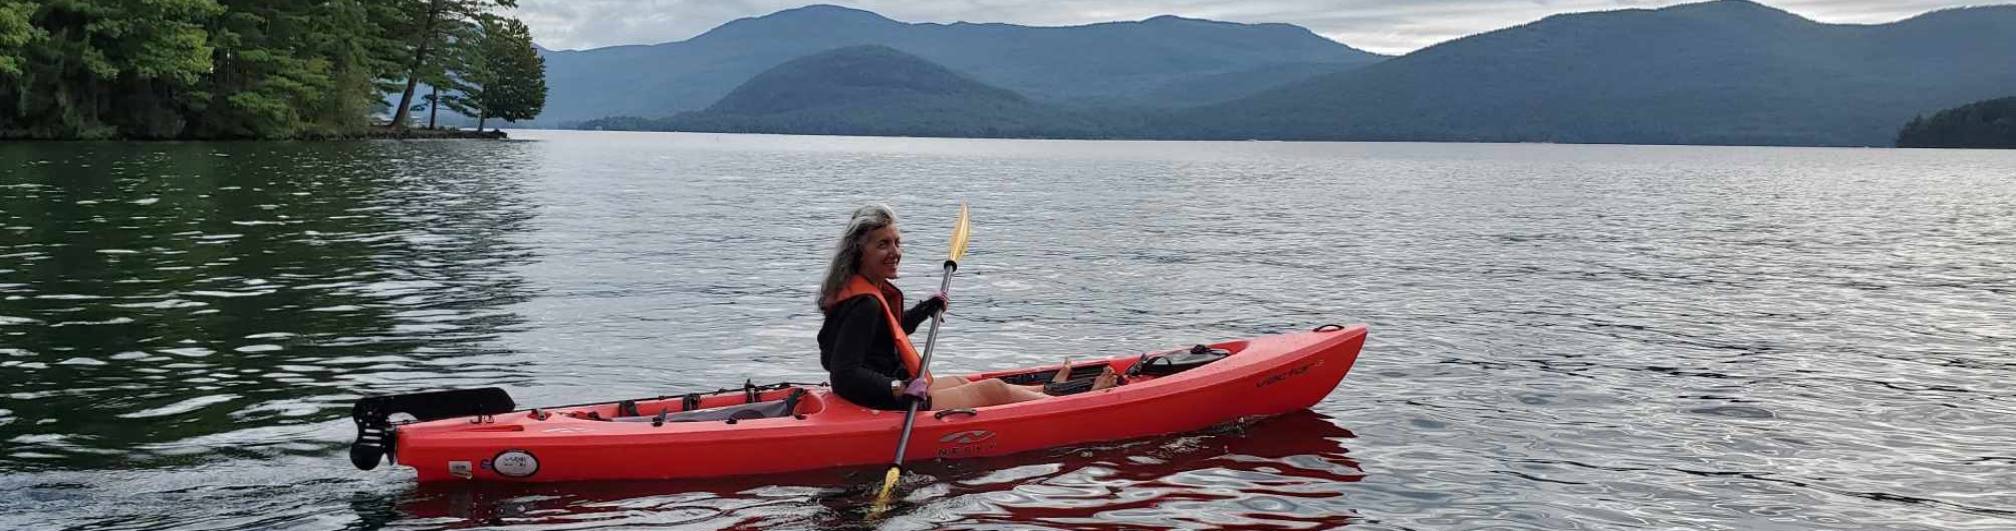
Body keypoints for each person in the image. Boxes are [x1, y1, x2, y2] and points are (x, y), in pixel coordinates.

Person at [817, 205, 1113, 411]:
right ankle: (1079, 406)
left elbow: (888, 333)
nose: (895, 252)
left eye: (897, 242)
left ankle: (1054, 392)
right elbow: (845, 374)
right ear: (859, 250)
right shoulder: (864, 305)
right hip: (882, 398)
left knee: (962, 382)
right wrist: (898, 388)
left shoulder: (863, 290)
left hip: (886, 390)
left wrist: (927, 308)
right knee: (991, 390)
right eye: (883, 245)